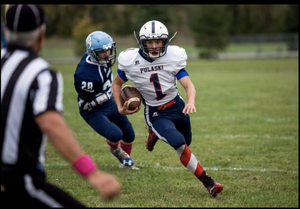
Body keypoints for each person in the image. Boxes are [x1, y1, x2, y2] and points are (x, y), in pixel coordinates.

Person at [1, 5, 120, 207]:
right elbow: (51, 124)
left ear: (5, 31)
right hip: (16, 179)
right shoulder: (41, 73)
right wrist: (92, 173)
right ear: (41, 34)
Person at [112, 20, 224, 197]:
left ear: (166, 41)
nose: (155, 46)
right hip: (156, 113)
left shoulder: (173, 56)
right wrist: (119, 107)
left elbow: (189, 85)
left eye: (158, 41)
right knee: (179, 143)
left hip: (177, 106)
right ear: (142, 42)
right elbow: (116, 84)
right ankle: (208, 182)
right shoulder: (131, 61)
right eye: (150, 42)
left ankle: (154, 134)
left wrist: (191, 101)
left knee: (187, 141)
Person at [74, 31, 139, 170]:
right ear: (92, 52)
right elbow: (86, 103)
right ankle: (117, 151)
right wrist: (112, 94)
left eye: (109, 49)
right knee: (116, 134)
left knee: (129, 133)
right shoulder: (85, 75)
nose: (108, 53)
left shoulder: (100, 58)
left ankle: (125, 165)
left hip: (107, 102)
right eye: (102, 51)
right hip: (92, 110)